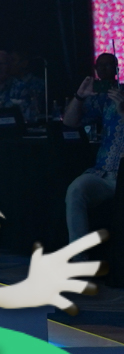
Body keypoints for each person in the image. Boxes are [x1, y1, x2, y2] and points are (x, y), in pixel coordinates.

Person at [63, 52, 122, 248]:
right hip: (103, 172)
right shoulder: (110, 97)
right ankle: (79, 256)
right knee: (76, 189)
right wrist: (80, 96)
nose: (104, 70)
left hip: (122, 172)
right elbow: (70, 122)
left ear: (117, 69)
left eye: (109, 65)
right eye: (100, 66)